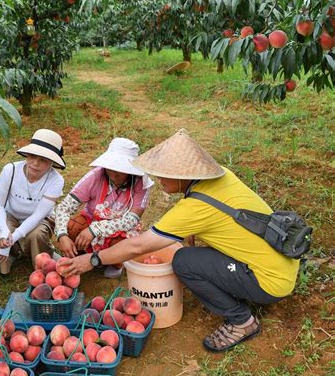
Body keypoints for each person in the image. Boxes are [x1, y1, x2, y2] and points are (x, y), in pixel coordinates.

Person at [60, 129, 300, 353]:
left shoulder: (194, 208)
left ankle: (242, 321)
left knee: (184, 261)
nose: (158, 179)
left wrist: (92, 260)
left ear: (183, 175)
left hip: (271, 282)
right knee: (195, 253)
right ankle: (241, 284)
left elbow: (138, 245)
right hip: (281, 260)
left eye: (164, 174)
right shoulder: (222, 176)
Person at [54, 138, 153, 278]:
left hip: (119, 229)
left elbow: (132, 220)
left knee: (123, 243)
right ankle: (84, 254)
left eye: (119, 169)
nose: (113, 173)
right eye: (110, 167)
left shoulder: (140, 184)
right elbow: (64, 207)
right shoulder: (95, 177)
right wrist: (62, 235)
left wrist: (96, 229)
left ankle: (114, 263)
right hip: (91, 220)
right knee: (72, 227)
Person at [0, 129, 65, 274]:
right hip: (11, 215)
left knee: (36, 234)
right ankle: (13, 254)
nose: (35, 163)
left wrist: (14, 237)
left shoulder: (56, 180)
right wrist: (4, 231)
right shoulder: (10, 170)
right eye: (32, 156)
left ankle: (42, 262)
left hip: (40, 220)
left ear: (51, 162)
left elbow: (38, 216)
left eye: (43, 160)